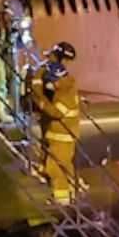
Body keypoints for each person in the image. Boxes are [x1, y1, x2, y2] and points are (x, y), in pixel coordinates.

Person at [35, 43, 81, 205]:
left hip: (62, 137)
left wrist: (40, 102)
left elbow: (55, 112)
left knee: (55, 168)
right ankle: (71, 193)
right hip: (62, 136)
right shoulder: (66, 87)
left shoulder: (64, 95)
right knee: (64, 166)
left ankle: (61, 200)